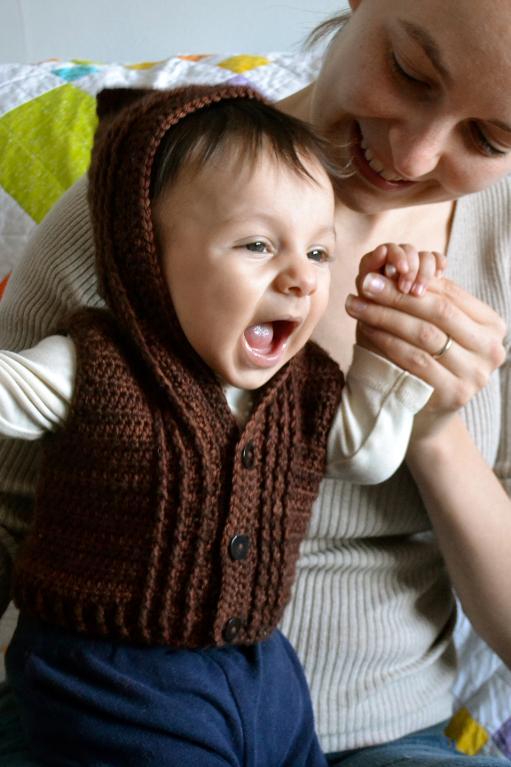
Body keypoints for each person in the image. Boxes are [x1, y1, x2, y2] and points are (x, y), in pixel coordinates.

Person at [0, 0, 510, 765]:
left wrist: (434, 432)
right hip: (111, 702)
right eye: (408, 72)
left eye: (490, 137)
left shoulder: (497, 242)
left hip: (382, 727)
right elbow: (9, 512)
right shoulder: (151, 194)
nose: (411, 155)